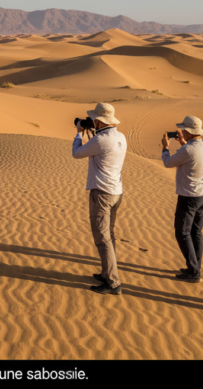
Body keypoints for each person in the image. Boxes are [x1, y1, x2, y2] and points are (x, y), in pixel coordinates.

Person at [72, 102, 128, 295]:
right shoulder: (120, 136)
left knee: (102, 237)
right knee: (109, 235)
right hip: (116, 192)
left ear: (98, 121)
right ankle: (107, 272)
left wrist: (79, 133)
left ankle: (113, 282)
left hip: (102, 194)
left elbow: (77, 153)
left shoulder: (101, 139)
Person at [160, 115, 203, 284]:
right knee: (196, 232)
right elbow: (192, 157)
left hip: (189, 197)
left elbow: (168, 163)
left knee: (182, 232)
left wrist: (165, 147)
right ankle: (194, 267)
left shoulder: (188, 150)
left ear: (189, 132)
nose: (180, 132)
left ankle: (194, 271)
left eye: (183, 130)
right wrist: (184, 143)